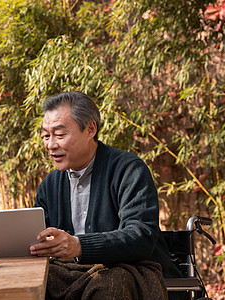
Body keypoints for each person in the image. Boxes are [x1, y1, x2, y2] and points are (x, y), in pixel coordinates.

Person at [29, 91, 180, 299]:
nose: (51, 145)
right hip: (70, 272)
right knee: (32, 281)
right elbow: (38, 239)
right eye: (46, 135)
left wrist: (78, 246)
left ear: (90, 129)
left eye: (60, 135)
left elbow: (141, 236)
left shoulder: (129, 170)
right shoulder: (49, 184)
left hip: (129, 269)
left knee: (109, 284)